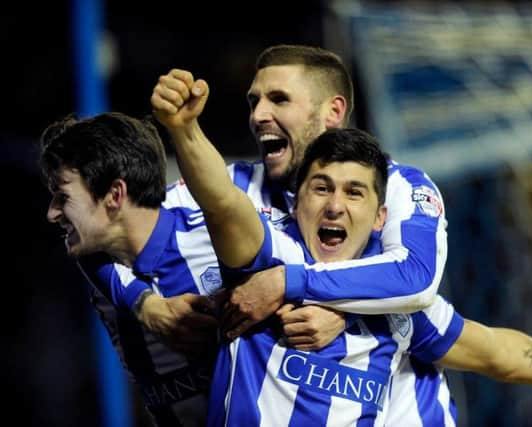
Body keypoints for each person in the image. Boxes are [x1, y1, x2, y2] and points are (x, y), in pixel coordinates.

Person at [67, 45, 449, 426]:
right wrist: (144, 304)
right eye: (254, 102)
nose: (258, 115)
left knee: (489, 349)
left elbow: (416, 276)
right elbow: (96, 225)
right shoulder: (230, 187)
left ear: (333, 111)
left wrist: (314, 297)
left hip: (405, 380)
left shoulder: (399, 185)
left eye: (278, 100)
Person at [151, 76, 532, 425]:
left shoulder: (396, 304)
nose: (335, 205)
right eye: (321, 188)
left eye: (354, 193)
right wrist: (185, 130)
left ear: (380, 217)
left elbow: (498, 353)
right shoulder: (266, 257)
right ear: (296, 204)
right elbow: (222, 202)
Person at [39, 112, 219, 427]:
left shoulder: (213, 226)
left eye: (62, 196)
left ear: (115, 195)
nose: (51, 213)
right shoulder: (99, 271)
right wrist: (142, 301)